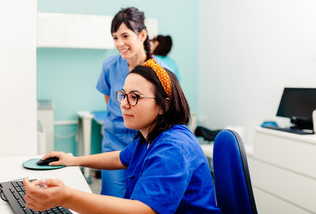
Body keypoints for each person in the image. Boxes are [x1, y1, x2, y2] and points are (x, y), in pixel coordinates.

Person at [24, 59, 221, 214]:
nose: (124, 104)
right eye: (123, 94)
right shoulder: (150, 137)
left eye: (135, 97)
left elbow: (144, 210)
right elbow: (119, 157)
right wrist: (72, 160)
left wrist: (65, 197)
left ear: (163, 106)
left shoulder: (173, 148)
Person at [95, 7, 170, 197]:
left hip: (146, 145)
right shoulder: (110, 66)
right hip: (114, 142)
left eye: (125, 36)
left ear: (142, 35)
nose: (120, 43)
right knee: (111, 202)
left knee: (140, 200)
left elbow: (167, 113)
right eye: (115, 37)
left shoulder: (161, 71)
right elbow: (111, 101)